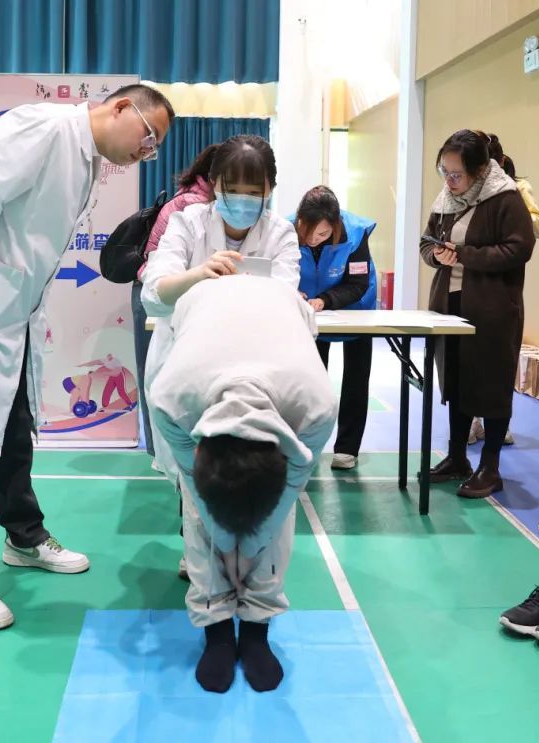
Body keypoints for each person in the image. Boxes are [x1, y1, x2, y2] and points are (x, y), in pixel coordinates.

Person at [0, 83, 175, 630]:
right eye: (148, 135)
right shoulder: (44, 128)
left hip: (11, 315)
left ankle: (23, 537)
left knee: (14, 427)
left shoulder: (85, 157)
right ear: (121, 107)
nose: (147, 150)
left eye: (154, 146)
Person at [148, 275, 337, 694]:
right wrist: (225, 538)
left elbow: (287, 492)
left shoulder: (316, 406)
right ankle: (216, 627)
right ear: (200, 450)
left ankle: (256, 629)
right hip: (200, 308)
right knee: (200, 511)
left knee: (273, 516)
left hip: (283, 308)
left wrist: (249, 546)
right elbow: (197, 489)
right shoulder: (170, 399)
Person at [140, 134, 301, 478]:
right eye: (233, 190)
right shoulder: (187, 223)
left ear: (270, 189)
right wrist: (198, 274)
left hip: (254, 371)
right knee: (189, 477)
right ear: (213, 183)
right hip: (184, 368)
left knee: (246, 475)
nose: (243, 200)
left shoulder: (281, 233)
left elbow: (285, 300)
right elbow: (154, 294)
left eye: (254, 192)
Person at [420, 130, 535, 499]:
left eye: (456, 174)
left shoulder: (505, 198)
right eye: (444, 172)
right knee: (456, 382)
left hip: (491, 310)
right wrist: (436, 256)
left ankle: (490, 467)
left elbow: (518, 250)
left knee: (490, 386)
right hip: (450, 306)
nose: (449, 182)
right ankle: (457, 457)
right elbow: (427, 242)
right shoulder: (446, 199)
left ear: (481, 171)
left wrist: (464, 255)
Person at [132, 145, 217, 455]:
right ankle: (163, 453)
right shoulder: (194, 207)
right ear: (214, 177)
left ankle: (162, 453)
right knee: (161, 381)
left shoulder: (190, 195)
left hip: (162, 293)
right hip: (156, 293)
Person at [293, 185, 377, 470]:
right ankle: (308, 443)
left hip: (355, 307)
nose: (313, 240)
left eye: (322, 235)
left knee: (356, 378)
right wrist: (293, 291)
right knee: (311, 380)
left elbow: (358, 283)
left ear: (336, 226)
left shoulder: (355, 234)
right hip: (310, 313)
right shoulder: (286, 229)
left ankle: (347, 449)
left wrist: (326, 300)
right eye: (308, 233)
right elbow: (281, 272)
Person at [469, 148, 539, 446]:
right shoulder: (461, 190)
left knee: (499, 359)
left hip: (503, 285)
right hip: (470, 281)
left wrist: (513, 206)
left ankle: (497, 423)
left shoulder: (517, 189)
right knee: (470, 359)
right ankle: (472, 421)